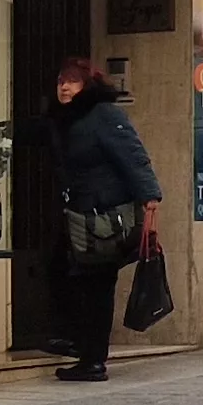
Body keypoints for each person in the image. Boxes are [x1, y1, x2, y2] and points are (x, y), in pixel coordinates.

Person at [46, 58, 160, 383]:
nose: (64, 87)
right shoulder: (64, 119)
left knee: (95, 285)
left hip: (103, 218)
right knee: (68, 277)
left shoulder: (104, 115)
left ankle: (92, 359)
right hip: (78, 216)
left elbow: (134, 156)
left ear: (88, 85)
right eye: (60, 82)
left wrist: (150, 199)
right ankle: (79, 347)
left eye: (71, 82)